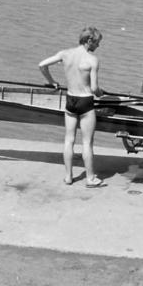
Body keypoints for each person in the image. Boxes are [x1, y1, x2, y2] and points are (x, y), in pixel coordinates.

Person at [39, 27, 104, 187]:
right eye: (97, 43)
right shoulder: (92, 60)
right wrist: (101, 93)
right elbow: (95, 89)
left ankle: (68, 177)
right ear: (89, 40)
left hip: (70, 101)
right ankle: (90, 179)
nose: (98, 46)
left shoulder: (64, 54)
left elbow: (41, 65)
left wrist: (51, 81)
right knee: (87, 142)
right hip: (85, 102)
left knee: (69, 140)